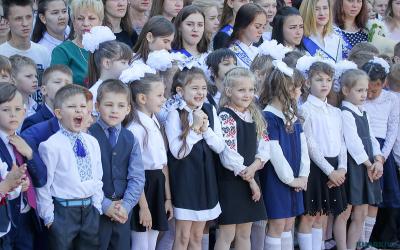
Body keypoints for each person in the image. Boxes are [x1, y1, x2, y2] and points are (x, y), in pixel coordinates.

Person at [36, 84, 104, 250]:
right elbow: (44, 184)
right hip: (63, 213)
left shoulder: (92, 142)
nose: (79, 111)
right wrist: (49, 217)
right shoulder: (51, 146)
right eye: (72, 107)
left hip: (90, 211)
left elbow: (97, 176)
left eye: (82, 106)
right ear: (59, 113)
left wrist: (97, 206)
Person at [165, 67, 225, 250]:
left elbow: (220, 146)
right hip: (185, 180)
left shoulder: (210, 110)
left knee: (198, 236)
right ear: (180, 91)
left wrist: (205, 129)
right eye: (194, 88)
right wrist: (194, 129)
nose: (200, 93)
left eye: (203, 88)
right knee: (183, 236)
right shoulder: (175, 114)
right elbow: (177, 152)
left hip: (205, 179)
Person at [297, 61, 350, 250]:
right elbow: (310, 144)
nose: (324, 84)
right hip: (316, 168)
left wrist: (342, 168)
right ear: (308, 83)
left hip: (336, 168)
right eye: (319, 80)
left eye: (328, 80)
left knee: (322, 215)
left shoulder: (336, 112)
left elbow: (342, 142)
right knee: (310, 216)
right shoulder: (305, 109)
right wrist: (330, 171)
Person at [214, 67, 269, 250]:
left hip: (251, 175)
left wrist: (255, 166)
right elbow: (229, 155)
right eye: (241, 90)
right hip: (232, 181)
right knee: (227, 234)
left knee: (245, 233)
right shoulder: (225, 116)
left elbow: (265, 145)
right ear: (229, 91)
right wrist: (251, 180)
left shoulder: (254, 115)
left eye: (251, 90)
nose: (247, 94)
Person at [259, 60, 310, 250]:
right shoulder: (268, 117)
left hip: (296, 178)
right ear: (283, 88)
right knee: (277, 224)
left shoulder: (292, 116)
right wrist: (291, 180)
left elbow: (304, 148)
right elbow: (275, 153)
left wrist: (303, 176)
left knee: (289, 223)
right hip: (278, 179)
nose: (299, 92)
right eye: (296, 88)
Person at [88, 79, 145, 250]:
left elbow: (137, 177)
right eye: (109, 104)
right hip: (94, 211)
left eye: (121, 106)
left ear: (128, 109)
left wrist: (126, 206)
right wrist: (105, 205)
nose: (115, 110)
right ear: (97, 106)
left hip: (122, 213)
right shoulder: (88, 134)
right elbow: (84, 176)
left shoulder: (130, 138)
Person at [124, 74, 172, 250]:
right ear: (142, 98)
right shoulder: (135, 129)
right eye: (159, 95)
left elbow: (163, 165)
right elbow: (135, 173)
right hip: (143, 188)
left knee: (151, 241)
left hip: (157, 183)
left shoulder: (154, 122)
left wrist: (168, 197)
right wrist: (143, 207)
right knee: (141, 242)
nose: (164, 98)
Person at [339, 69, 384, 250]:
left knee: (362, 212)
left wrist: (378, 159)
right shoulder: (345, 113)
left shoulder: (363, 112)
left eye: (365, 90)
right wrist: (369, 164)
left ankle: (354, 247)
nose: (364, 94)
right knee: (345, 212)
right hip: (355, 167)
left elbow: (371, 138)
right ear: (345, 90)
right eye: (359, 90)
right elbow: (353, 143)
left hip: (369, 166)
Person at [361, 60, 400, 248]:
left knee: (380, 199)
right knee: (362, 199)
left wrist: (382, 157)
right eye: (366, 89)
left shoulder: (392, 99)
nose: (368, 94)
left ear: (383, 83)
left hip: (383, 152)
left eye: (373, 91)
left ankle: (376, 239)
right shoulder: (358, 97)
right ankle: (359, 240)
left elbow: (392, 129)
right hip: (362, 150)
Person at [0, 82, 42, 250]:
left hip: (27, 216)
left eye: (18, 109)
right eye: (5, 110)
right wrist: (14, 184)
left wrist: (29, 154)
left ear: (24, 111)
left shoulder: (25, 138)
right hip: (5, 221)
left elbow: (41, 178)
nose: (13, 115)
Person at [50, 0, 103, 86]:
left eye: (91, 18)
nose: (85, 23)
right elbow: (57, 88)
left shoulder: (108, 50)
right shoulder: (62, 51)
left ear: (100, 22)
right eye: (80, 18)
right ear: (74, 23)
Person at [0, 0, 50, 78]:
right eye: (18, 19)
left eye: (28, 17)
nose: (25, 23)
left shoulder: (43, 52)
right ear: (7, 22)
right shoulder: (1, 53)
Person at [21, 65, 72, 132]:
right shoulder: (33, 122)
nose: (63, 86)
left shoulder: (74, 119)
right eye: (57, 82)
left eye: (68, 84)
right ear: (44, 90)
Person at [227, 3, 267, 69]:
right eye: (257, 27)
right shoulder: (231, 54)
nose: (261, 31)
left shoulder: (257, 50)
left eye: (263, 27)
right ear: (243, 25)